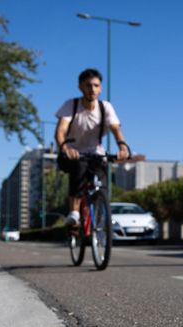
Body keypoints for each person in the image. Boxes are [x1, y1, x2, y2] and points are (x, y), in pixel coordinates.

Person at [54, 68, 130, 226]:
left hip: (96, 153)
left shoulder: (105, 107)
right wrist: (66, 148)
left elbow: (116, 129)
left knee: (102, 180)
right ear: (80, 87)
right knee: (79, 167)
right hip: (72, 153)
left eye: (96, 85)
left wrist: (122, 147)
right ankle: (74, 213)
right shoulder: (71, 105)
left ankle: (98, 213)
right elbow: (60, 131)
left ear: (100, 88)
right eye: (88, 85)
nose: (92, 89)